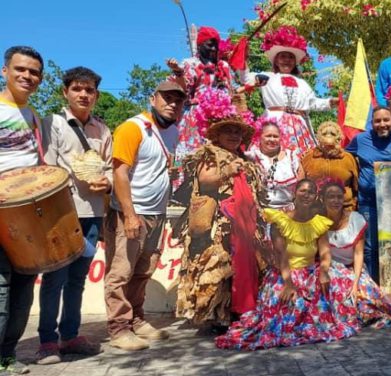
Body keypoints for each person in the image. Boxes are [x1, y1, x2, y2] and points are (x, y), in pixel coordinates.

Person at [215, 179, 359, 350]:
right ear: (294, 193)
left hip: (310, 272)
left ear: (315, 197)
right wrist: (289, 284)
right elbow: (281, 256)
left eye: (311, 192)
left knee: (335, 292)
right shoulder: (280, 222)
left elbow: (325, 253)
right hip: (285, 273)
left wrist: (324, 271)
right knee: (288, 306)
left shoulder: (319, 223)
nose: (307, 195)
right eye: (303, 190)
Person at [104, 81, 185, 351]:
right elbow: (120, 172)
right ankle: (118, 328)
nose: (172, 103)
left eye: (178, 100)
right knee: (121, 273)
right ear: (153, 98)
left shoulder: (172, 131)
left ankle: (137, 319)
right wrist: (128, 214)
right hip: (132, 211)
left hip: (157, 212)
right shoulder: (132, 127)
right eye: (167, 98)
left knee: (143, 270)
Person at [176, 91, 266, 332]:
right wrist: (227, 172)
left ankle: (239, 312)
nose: (234, 135)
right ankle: (217, 317)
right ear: (217, 134)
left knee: (243, 267)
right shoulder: (210, 154)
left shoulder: (244, 157)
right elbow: (205, 181)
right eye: (229, 131)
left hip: (244, 221)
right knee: (218, 268)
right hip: (220, 223)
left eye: (238, 132)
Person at [37, 67, 110, 364]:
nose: (84, 94)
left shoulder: (103, 129)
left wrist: (105, 181)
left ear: (96, 95)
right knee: (55, 279)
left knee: (78, 279)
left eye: (89, 90)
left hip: (91, 214)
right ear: (65, 92)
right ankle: (47, 341)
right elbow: (47, 167)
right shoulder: (52, 123)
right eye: (78, 89)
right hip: (61, 214)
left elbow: (108, 167)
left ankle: (70, 335)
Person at [0, 45, 44, 375]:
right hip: (2, 212)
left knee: (23, 287)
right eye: (20, 69)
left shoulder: (32, 117)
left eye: (34, 72)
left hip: (30, 215)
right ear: (5, 71)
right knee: (1, 285)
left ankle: (8, 355)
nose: (27, 76)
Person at [346, 107, 391, 282]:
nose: (382, 124)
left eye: (386, 120)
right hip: (368, 203)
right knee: (370, 247)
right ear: (372, 123)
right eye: (378, 121)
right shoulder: (360, 140)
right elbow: (344, 158)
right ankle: (372, 289)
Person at [243, 26, 337, 158]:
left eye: (290, 57)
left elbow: (313, 102)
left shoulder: (302, 83)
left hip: (299, 129)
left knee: (303, 160)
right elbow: (246, 79)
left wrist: (330, 102)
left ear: (295, 62)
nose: (287, 60)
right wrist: (242, 57)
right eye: (283, 56)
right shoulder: (267, 77)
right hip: (274, 123)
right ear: (276, 60)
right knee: (267, 157)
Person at [320, 179, 391, 328]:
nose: (335, 201)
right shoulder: (319, 221)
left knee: (367, 298)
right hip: (332, 268)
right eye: (330, 196)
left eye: (339, 197)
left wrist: (355, 283)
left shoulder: (355, 219)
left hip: (353, 268)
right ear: (323, 199)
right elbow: (324, 256)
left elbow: (358, 254)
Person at [166, 26, 236, 187]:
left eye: (215, 45)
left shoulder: (223, 66)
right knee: (194, 154)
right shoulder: (190, 64)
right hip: (196, 118)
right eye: (209, 44)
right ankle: (186, 188)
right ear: (199, 45)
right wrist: (178, 72)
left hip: (220, 118)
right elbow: (181, 90)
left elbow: (231, 92)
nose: (213, 48)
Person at [245, 119, 303, 210]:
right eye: (268, 136)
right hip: (262, 213)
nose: (272, 139)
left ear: (280, 137)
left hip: (290, 213)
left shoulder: (291, 157)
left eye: (275, 136)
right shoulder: (252, 157)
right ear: (260, 137)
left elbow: (302, 186)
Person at [301, 122, 359, 210]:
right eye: (324, 134)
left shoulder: (348, 158)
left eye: (332, 133)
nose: (329, 135)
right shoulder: (308, 158)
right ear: (319, 137)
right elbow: (301, 185)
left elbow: (356, 187)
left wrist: (353, 206)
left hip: (344, 209)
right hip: (315, 210)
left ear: (339, 137)